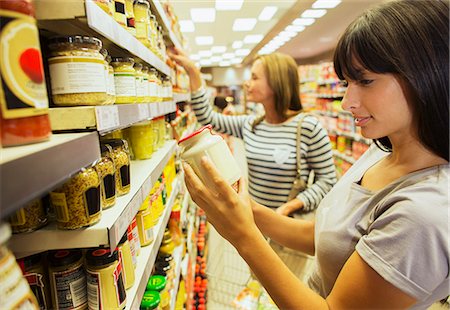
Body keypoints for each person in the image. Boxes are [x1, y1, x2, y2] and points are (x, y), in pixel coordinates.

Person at [181, 0, 449, 308]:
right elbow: (328, 237)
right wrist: (246, 210)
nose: (346, 102)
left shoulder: (424, 213)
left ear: (428, 74)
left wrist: (242, 234)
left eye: (365, 80)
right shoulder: (378, 151)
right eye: (347, 83)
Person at [169, 50, 337, 217]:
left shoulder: (308, 127)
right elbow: (207, 117)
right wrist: (192, 71)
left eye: (255, 78)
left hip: (289, 224)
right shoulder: (250, 125)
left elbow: (328, 180)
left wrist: (290, 207)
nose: (247, 83)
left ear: (276, 82)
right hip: (256, 219)